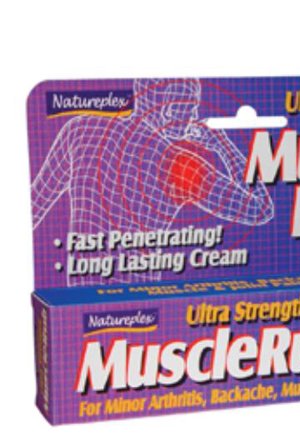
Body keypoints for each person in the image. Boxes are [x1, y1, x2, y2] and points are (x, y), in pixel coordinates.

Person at [31, 78, 274, 285]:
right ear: (168, 109)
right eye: (190, 108)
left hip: (82, 297)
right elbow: (261, 209)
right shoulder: (179, 165)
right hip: (143, 303)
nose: (194, 117)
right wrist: (223, 146)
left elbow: (35, 204)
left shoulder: (80, 131)